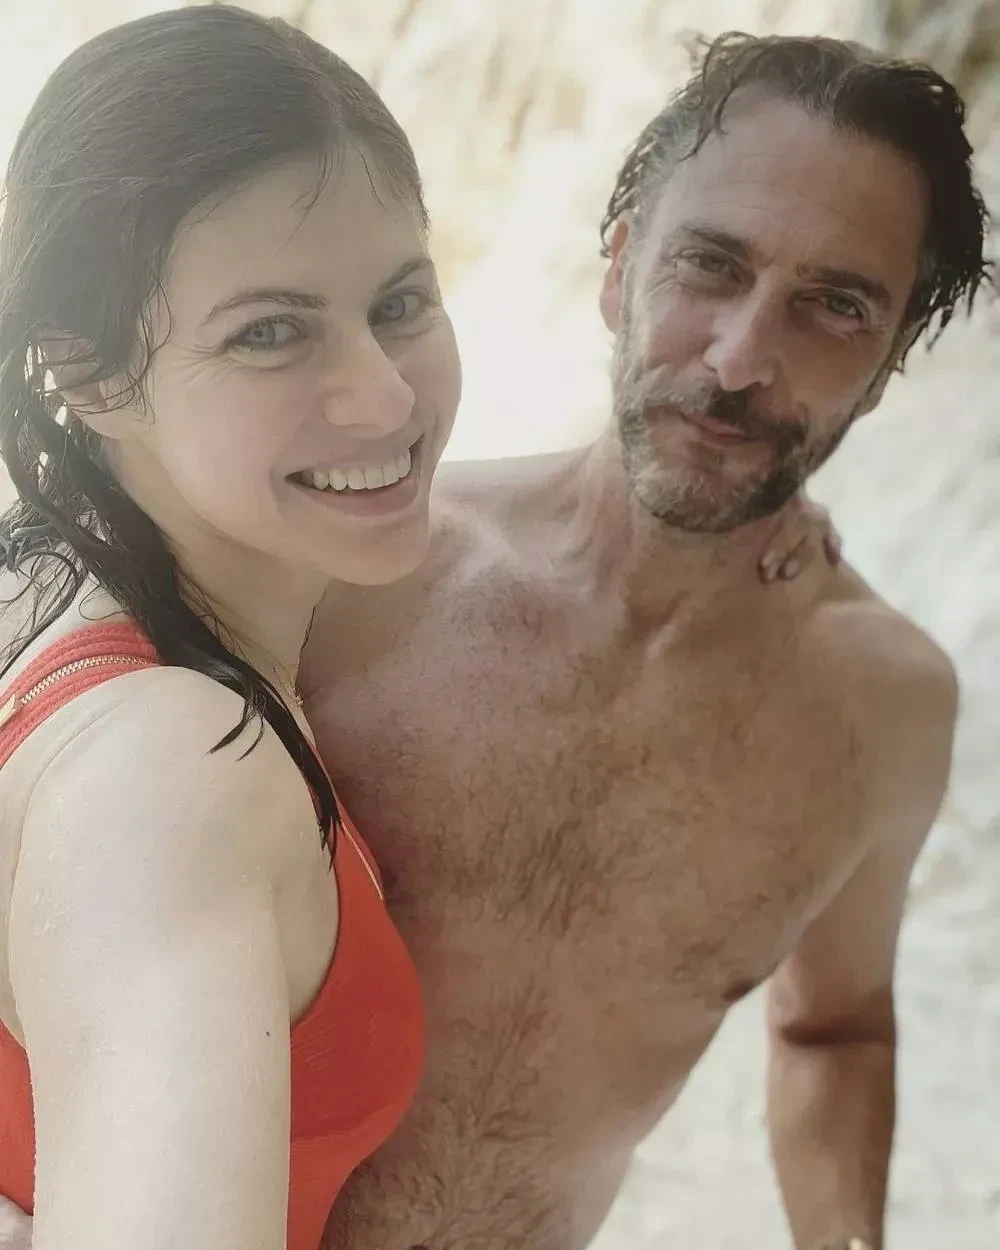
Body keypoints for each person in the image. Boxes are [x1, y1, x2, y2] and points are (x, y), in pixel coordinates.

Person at [2, 26, 987, 1250]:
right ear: (619, 266)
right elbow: (90, 830)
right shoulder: (335, 563)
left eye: (834, 307)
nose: (741, 361)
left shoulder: (886, 713)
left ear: (891, 359)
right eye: (708, 265)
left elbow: (834, 1029)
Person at [0, 5, 463, 1249]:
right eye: (269, 330)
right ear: (90, 375)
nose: (384, 398)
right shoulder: (175, 776)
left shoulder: (40, 583)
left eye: (400, 301)